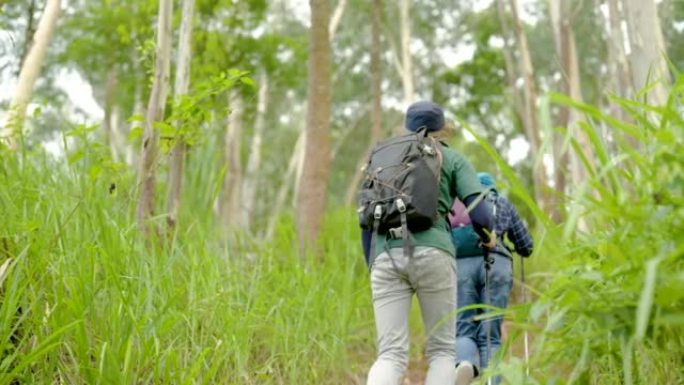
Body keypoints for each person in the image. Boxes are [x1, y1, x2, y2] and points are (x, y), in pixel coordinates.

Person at [361, 101, 496, 385]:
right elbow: (481, 213)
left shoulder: (384, 159)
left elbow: (366, 220)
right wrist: (488, 237)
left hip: (386, 255)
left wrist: (373, 264)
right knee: (442, 352)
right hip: (434, 251)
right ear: (442, 129)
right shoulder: (452, 158)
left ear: (407, 127)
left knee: (390, 355)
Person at [451, 172, 534, 385]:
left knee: (463, 328)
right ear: (493, 188)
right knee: (491, 335)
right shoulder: (502, 203)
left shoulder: (458, 205)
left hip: (461, 266)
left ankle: (465, 364)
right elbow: (526, 245)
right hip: (497, 264)